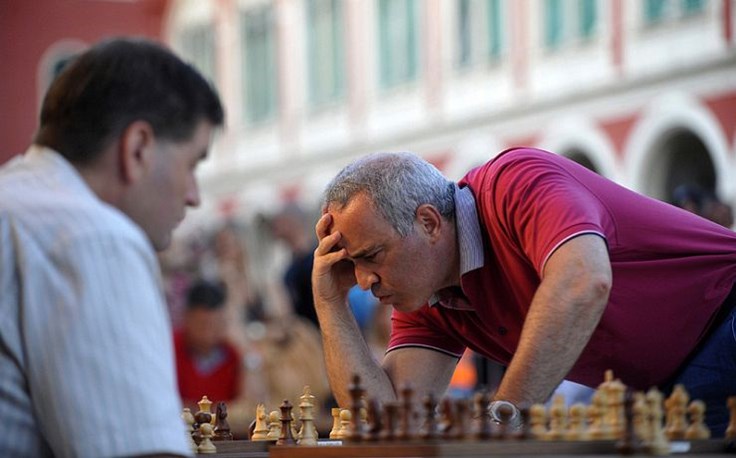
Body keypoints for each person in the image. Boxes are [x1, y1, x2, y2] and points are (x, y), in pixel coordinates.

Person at [312, 148, 736, 436]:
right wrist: (330, 303)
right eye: (355, 266)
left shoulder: (514, 183)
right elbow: (393, 424)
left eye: (372, 256)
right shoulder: (427, 293)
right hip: (672, 383)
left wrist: (504, 415)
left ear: (428, 223)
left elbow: (584, 280)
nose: (365, 282)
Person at [0, 38, 224, 456]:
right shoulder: (93, 237)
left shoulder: (16, 202)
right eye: (192, 164)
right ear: (138, 147)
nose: (194, 195)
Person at [174, 280, 245, 410]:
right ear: (187, 318)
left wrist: (248, 354)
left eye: (215, 324)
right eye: (202, 325)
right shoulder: (170, 349)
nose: (208, 334)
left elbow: (252, 407)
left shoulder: (233, 353)